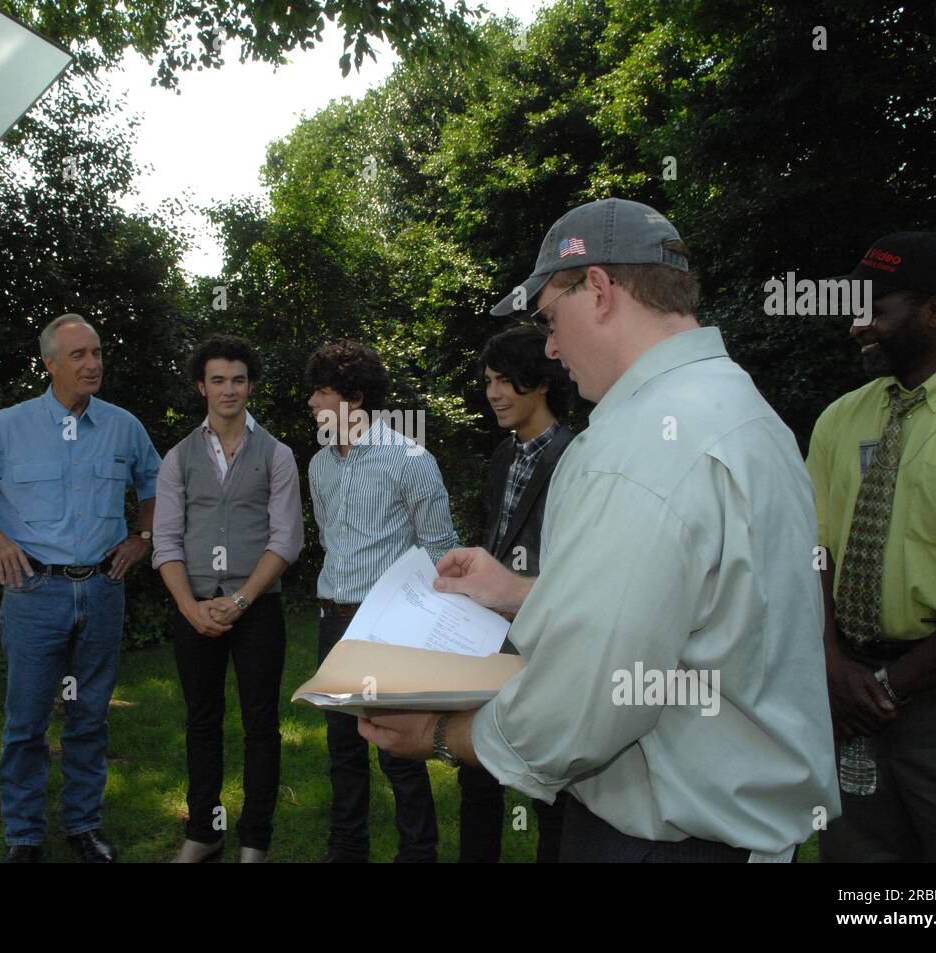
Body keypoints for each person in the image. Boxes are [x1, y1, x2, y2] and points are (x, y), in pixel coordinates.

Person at [359, 198, 839, 862]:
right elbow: (693, 602)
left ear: (601, 291)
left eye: (552, 317)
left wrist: (442, 734)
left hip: (660, 842)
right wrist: (519, 591)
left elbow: (579, 709)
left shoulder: (639, 445)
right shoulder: (743, 409)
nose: (550, 347)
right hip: (739, 833)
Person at [806, 231, 936, 862]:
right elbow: (811, 553)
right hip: (850, 697)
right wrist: (832, 664)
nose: (855, 326)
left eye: (875, 307)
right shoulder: (840, 418)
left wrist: (891, 685)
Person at [0, 313, 160, 863]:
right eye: (78, 355)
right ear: (50, 364)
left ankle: (83, 825)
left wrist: (142, 537)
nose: (92, 363)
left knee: (90, 717)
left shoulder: (124, 426)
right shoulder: (11, 426)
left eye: (97, 352)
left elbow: (155, 483)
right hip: (33, 592)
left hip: (103, 589)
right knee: (26, 721)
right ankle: (24, 836)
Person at [306, 339, 459, 862]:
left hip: (389, 628)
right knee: (343, 752)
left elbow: (440, 550)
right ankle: (346, 850)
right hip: (333, 623)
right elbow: (332, 540)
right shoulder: (319, 466)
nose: (311, 402)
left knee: (399, 751)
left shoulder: (411, 459)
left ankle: (418, 853)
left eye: (321, 391)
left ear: (354, 398)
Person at [153, 335, 303, 863]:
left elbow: (285, 539)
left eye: (238, 379)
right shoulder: (178, 457)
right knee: (202, 721)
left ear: (251, 385)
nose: (229, 389)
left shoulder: (277, 455)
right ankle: (204, 831)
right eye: (217, 379)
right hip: (193, 606)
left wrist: (239, 601)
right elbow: (166, 541)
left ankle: (255, 841)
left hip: (257, 606)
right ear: (201, 387)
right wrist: (191, 608)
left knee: (261, 723)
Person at [457, 325, 574, 863]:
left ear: (542, 382)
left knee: (553, 781)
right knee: (476, 772)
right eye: (488, 382)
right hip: (490, 638)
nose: (495, 394)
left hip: (551, 639)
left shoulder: (577, 457)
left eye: (506, 381)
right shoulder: (504, 455)